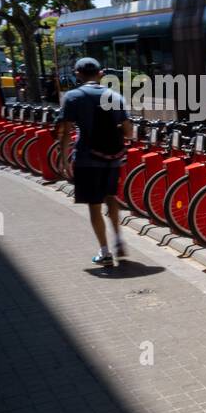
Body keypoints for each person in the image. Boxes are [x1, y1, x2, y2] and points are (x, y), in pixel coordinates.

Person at [56, 57, 132, 265]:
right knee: (111, 196)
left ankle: (105, 251)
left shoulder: (73, 97)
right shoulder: (114, 96)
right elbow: (129, 131)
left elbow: (65, 132)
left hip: (86, 158)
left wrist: (64, 159)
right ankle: (118, 236)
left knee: (94, 205)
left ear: (78, 74)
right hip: (113, 157)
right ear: (100, 74)